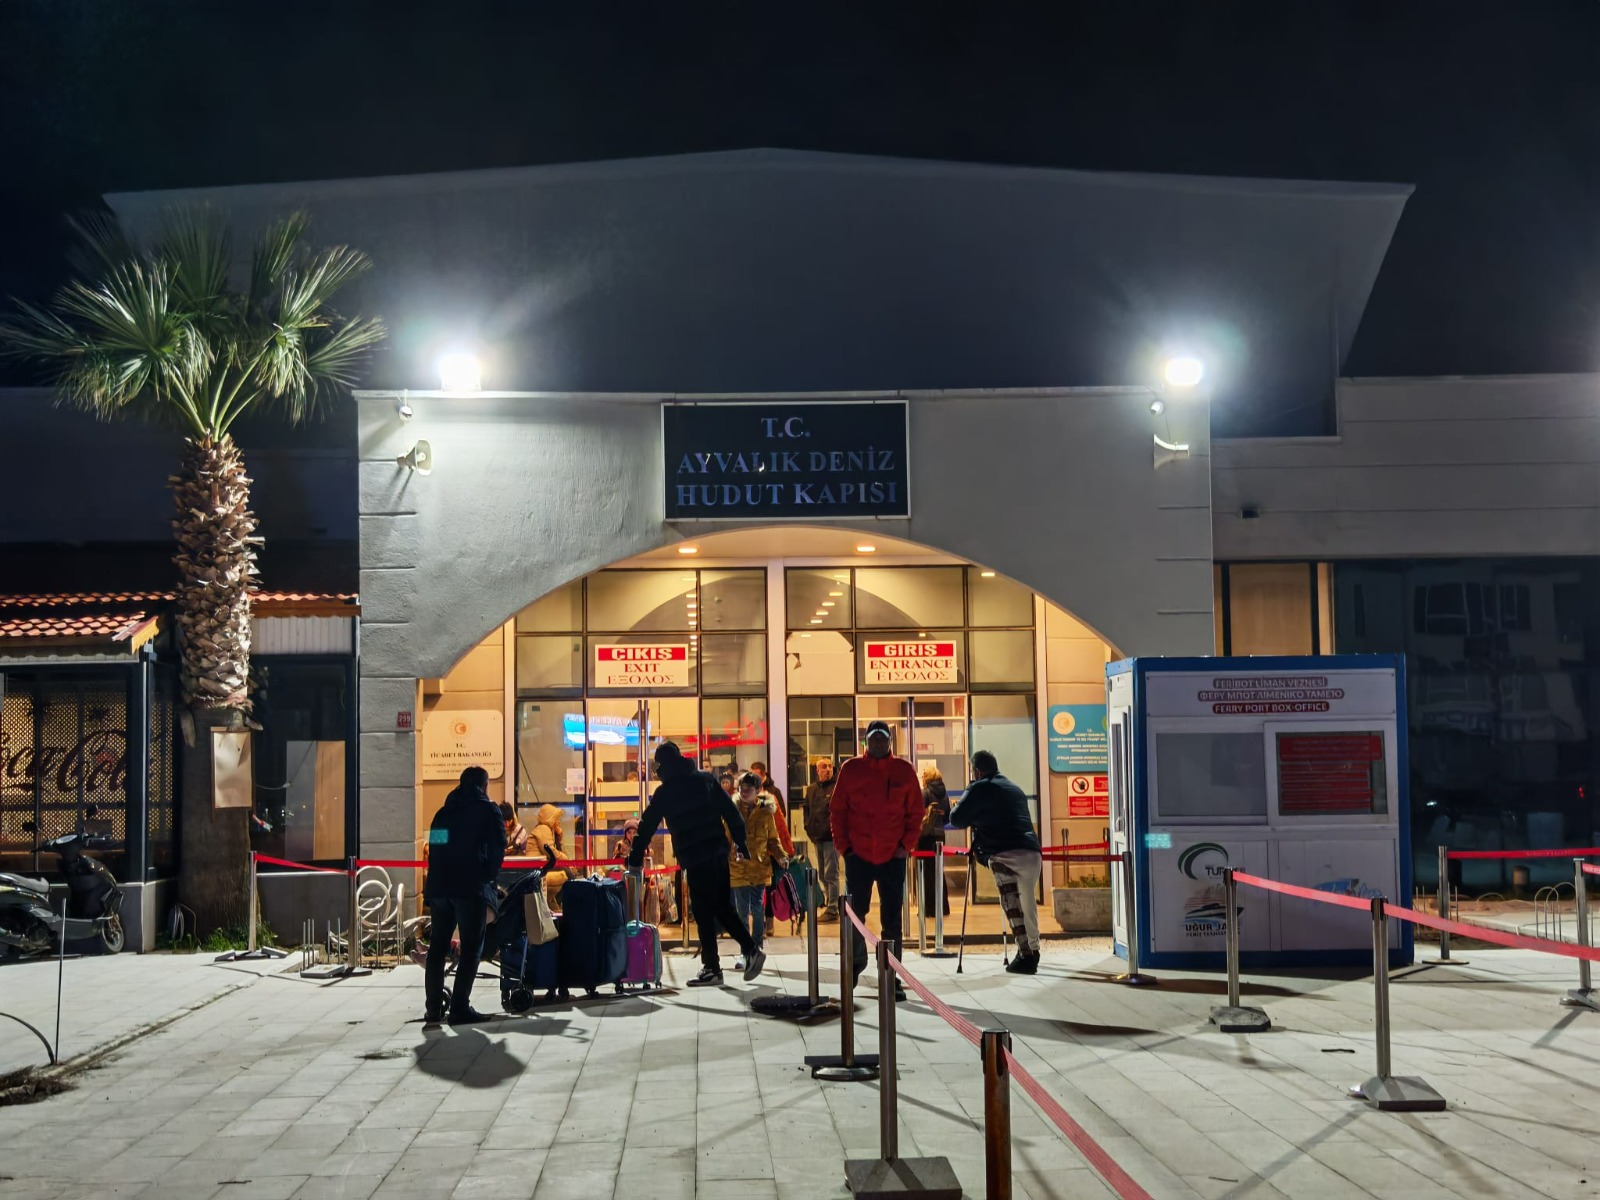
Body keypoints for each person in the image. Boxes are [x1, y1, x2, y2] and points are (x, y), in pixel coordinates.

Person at [629, 741, 766, 987]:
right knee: (720, 907)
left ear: (663, 765)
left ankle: (736, 956)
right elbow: (730, 811)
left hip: (695, 857)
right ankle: (724, 961)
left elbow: (647, 824)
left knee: (705, 911)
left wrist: (635, 857)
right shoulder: (705, 780)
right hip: (717, 853)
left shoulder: (666, 792)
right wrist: (740, 841)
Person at [830, 720, 922, 1000]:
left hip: (892, 856)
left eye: (883, 738)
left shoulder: (904, 771)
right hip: (858, 855)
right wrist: (844, 848)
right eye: (874, 738)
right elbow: (837, 811)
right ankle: (854, 968)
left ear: (889, 741)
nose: (878, 743)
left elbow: (916, 813)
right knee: (855, 917)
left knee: (892, 920)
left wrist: (905, 846)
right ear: (866, 741)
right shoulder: (851, 769)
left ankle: (891, 977)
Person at [948, 750, 1044, 975]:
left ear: (977, 771)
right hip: (1032, 852)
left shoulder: (979, 787)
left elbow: (957, 818)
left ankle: (1025, 955)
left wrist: (966, 801)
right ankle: (1034, 948)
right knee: (1028, 904)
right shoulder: (1014, 788)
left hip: (1003, 855)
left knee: (1012, 905)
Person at [423, 766, 505, 1025]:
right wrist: (488, 876)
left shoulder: (443, 813)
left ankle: (434, 1008)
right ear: (484, 785)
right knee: (471, 948)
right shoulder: (488, 810)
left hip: (440, 887)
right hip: (470, 887)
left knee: (437, 947)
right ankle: (459, 1008)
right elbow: (498, 846)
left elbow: (435, 848)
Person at [729, 771, 789, 969]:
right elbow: (725, 837)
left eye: (749, 789)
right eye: (741, 788)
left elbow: (773, 839)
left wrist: (781, 855)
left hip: (759, 867)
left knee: (757, 908)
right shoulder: (731, 809)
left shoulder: (766, 811)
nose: (744, 792)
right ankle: (745, 951)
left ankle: (757, 947)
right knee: (741, 912)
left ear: (757, 791)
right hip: (738, 868)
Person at [803, 758, 840, 920]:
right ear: (817, 770)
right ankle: (829, 902)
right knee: (823, 874)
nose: (828, 769)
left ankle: (833, 908)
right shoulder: (812, 789)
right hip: (817, 836)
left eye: (830, 766)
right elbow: (807, 810)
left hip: (832, 837)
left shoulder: (837, 787)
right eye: (824, 767)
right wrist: (808, 828)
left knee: (831, 873)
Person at [918, 766, 952, 918]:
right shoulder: (944, 794)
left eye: (923, 776)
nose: (922, 778)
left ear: (928, 778)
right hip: (940, 836)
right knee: (938, 871)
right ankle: (943, 907)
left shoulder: (925, 793)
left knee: (927, 872)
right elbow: (948, 817)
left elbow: (918, 813)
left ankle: (929, 909)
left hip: (926, 836)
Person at [529, 803, 569, 906]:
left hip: (542, 866)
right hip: (538, 868)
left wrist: (559, 836)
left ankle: (557, 904)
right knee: (569, 874)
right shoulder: (543, 829)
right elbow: (550, 851)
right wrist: (566, 859)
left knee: (567, 870)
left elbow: (556, 851)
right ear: (550, 819)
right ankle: (564, 905)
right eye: (556, 818)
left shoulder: (547, 829)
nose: (558, 821)